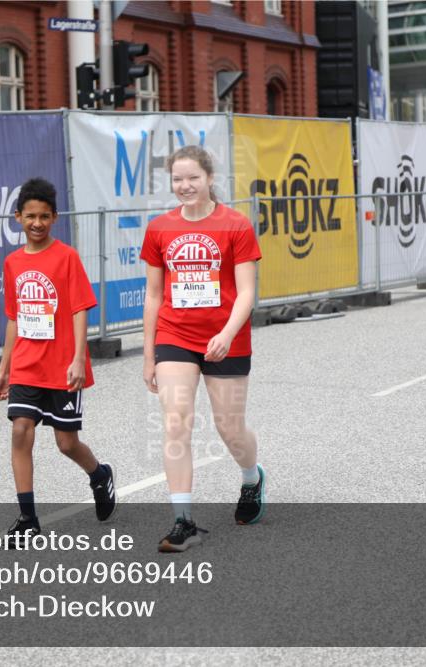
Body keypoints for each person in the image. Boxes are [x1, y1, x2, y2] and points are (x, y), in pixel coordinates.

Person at [140, 145, 264, 553]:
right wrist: (149, 354)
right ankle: (182, 521)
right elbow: (154, 295)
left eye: (193, 177)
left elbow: (247, 292)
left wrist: (227, 333)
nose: (185, 186)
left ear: (210, 178)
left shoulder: (235, 225)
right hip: (176, 335)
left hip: (226, 336)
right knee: (176, 422)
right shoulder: (160, 228)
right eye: (177, 179)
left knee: (229, 428)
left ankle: (251, 477)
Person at [0, 177, 116, 545]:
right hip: (27, 364)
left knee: (66, 443)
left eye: (44, 216)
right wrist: (4, 370)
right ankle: (28, 518)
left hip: (62, 366)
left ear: (54, 218)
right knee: (20, 431)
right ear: (18, 217)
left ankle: (99, 474)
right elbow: (14, 317)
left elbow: (80, 309)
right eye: (30, 216)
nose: (37, 223)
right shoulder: (13, 263)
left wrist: (79, 359)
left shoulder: (66, 257)